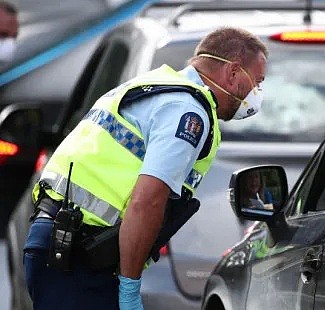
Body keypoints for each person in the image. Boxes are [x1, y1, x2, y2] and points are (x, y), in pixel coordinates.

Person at [22, 27, 268, 310]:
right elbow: (148, 200)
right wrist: (129, 287)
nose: (257, 94)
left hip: (60, 244)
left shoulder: (155, 84)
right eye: (257, 82)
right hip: (76, 259)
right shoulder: (187, 112)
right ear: (234, 73)